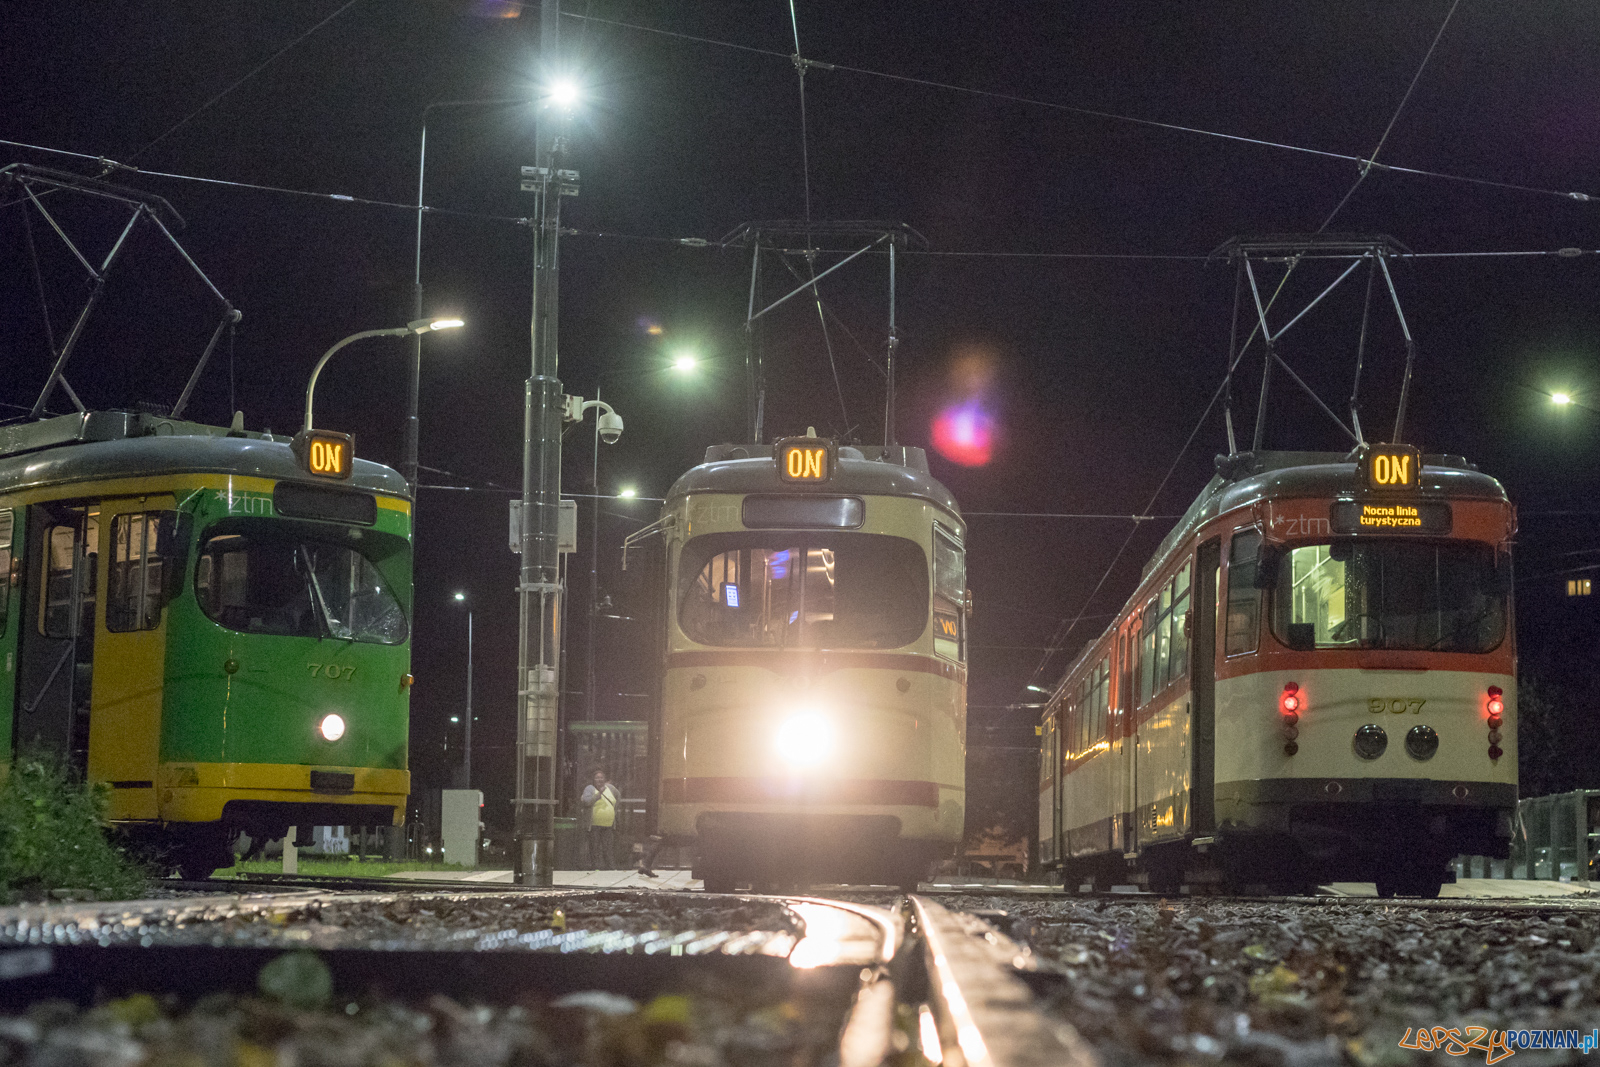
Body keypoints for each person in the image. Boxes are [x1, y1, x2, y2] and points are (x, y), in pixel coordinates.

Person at [580, 768, 619, 869]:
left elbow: (618, 797)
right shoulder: (589, 788)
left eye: (601, 778)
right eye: (597, 778)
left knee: (608, 848)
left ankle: (610, 868)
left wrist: (612, 811)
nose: (599, 780)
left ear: (605, 779)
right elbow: (587, 802)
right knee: (595, 848)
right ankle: (596, 868)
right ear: (593, 779)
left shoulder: (610, 788)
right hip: (594, 825)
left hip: (608, 825)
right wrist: (599, 794)